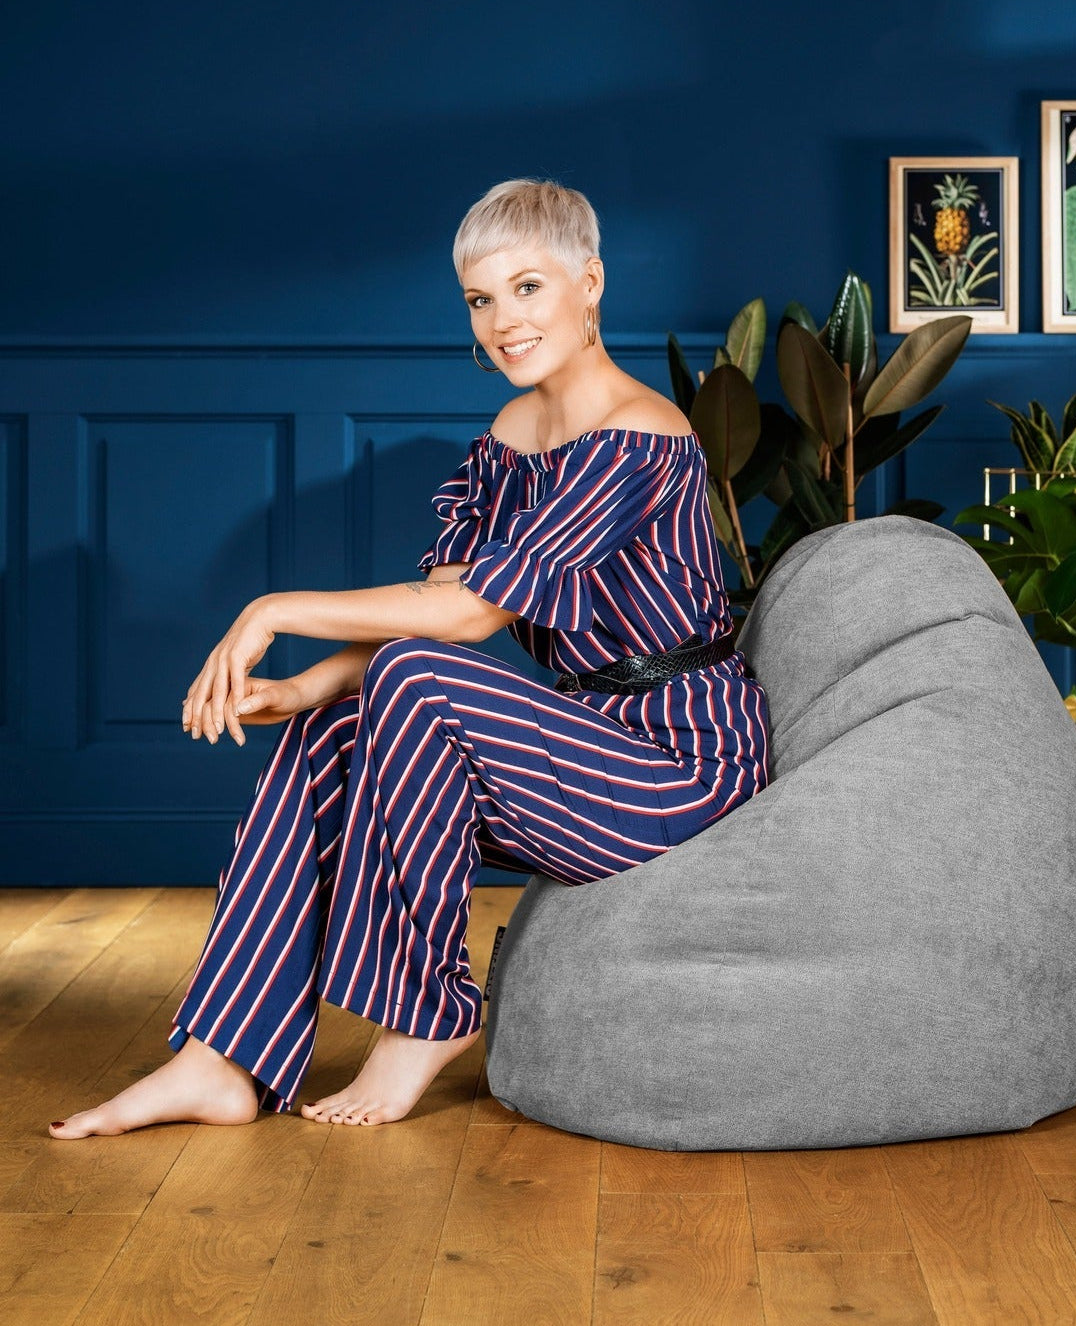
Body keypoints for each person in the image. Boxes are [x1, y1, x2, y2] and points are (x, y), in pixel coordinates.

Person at [49, 179, 771, 1138]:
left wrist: (272, 608)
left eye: (527, 288)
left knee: (414, 679)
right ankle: (220, 1058)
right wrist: (304, 686)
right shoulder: (508, 442)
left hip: (681, 762)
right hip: (585, 742)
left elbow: (467, 616)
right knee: (335, 725)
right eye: (480, 299)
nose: (503, 323)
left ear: (589, 283)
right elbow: (432, 607)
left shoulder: (641, 437)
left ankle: (430, 1016)